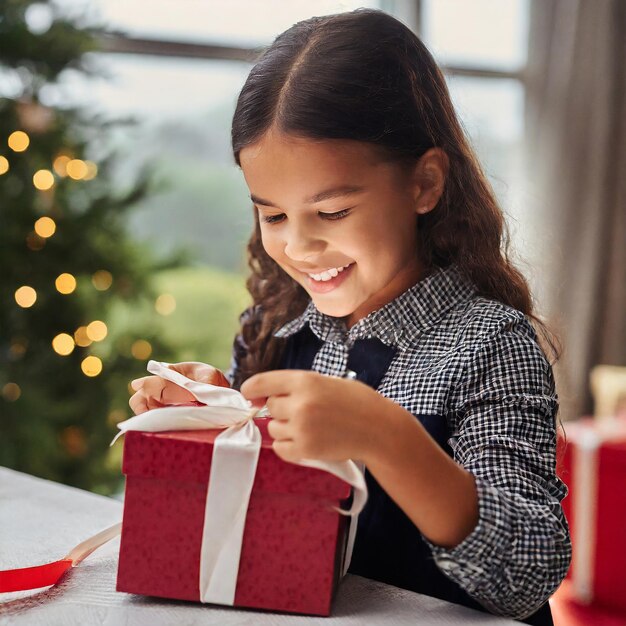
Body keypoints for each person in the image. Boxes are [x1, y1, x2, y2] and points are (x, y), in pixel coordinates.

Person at [129, 9, 571, 624]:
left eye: (332, 213)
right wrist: (219, 417)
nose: (300, 247)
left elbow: (528, 572)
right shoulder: (274, 326)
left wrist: (385, 437)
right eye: (274, 216)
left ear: (425, 183)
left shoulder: (490, 344)